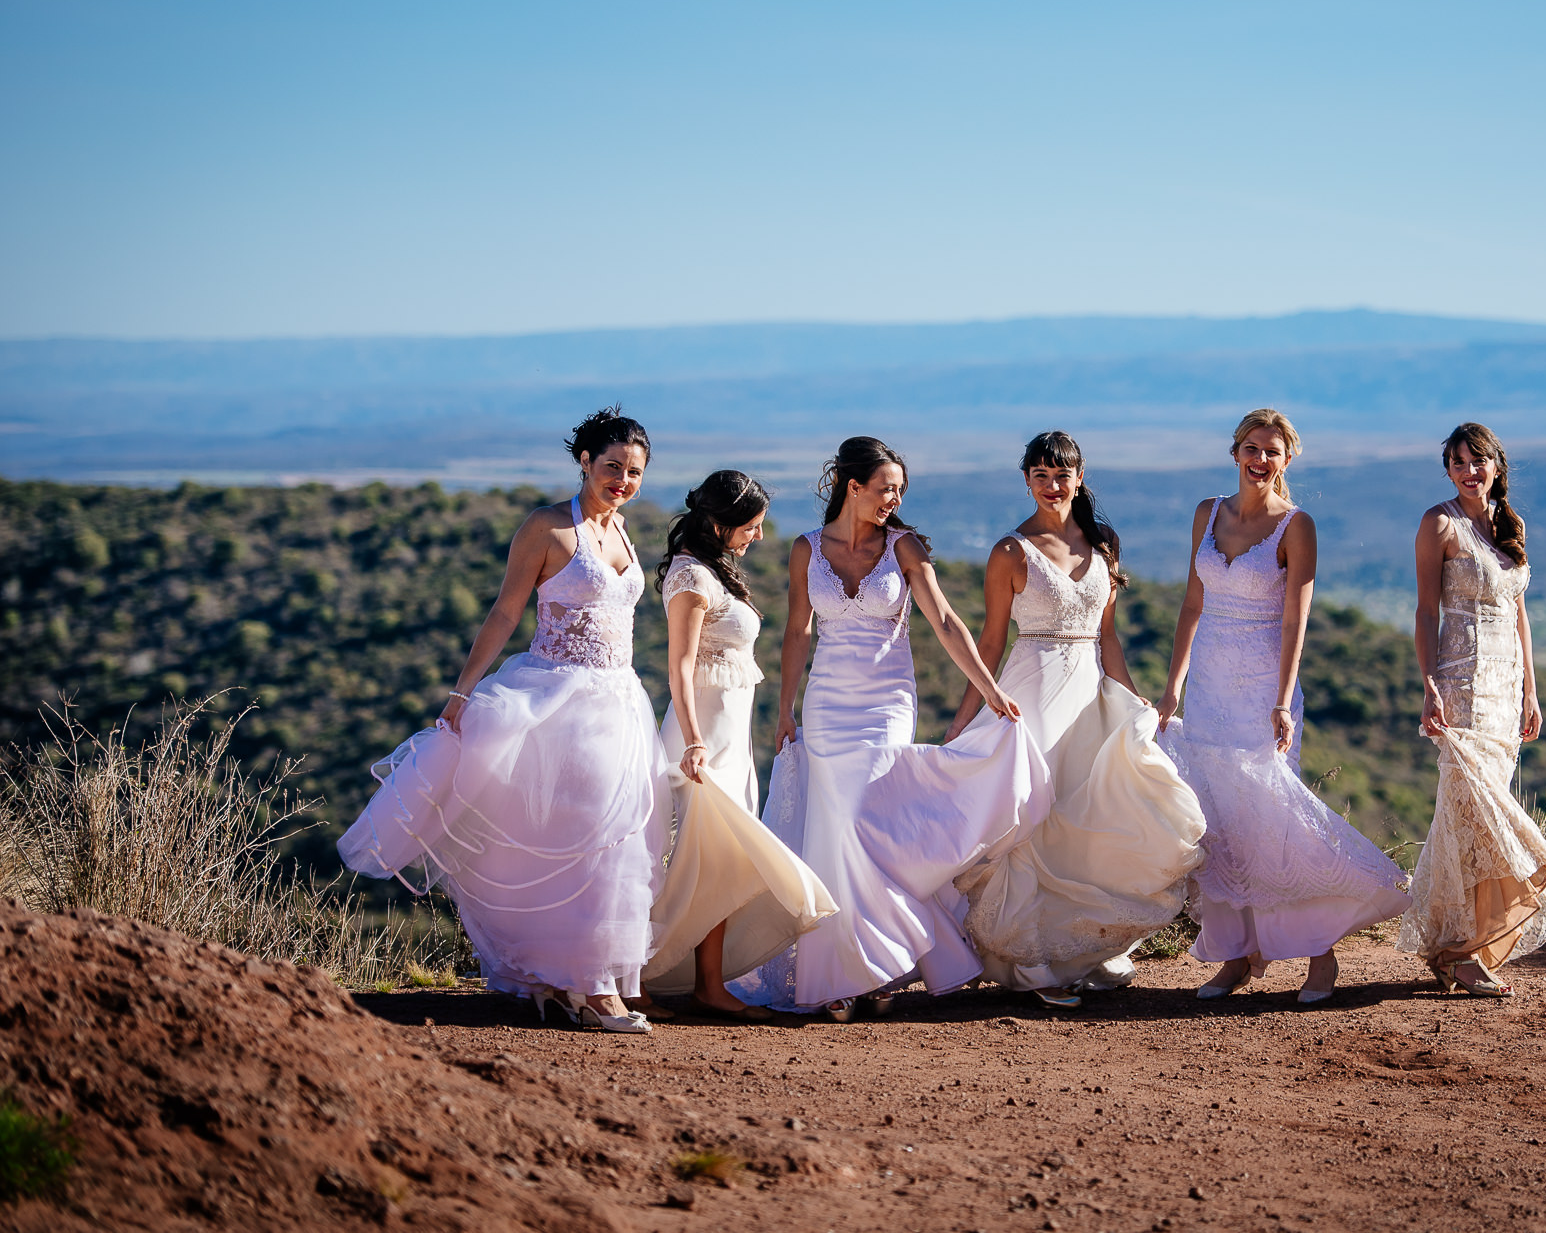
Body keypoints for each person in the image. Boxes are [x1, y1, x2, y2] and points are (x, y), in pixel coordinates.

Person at [340, 407, 664, 1034]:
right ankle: (581, 987)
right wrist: (462, 691)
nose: (622, 480)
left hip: (619, 705)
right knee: (564, 838)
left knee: (616, 839)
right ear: (584, 462)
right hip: (554, 703)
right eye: (612, 467)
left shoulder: (624, 532)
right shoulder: (546, 528)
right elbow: (504, 611)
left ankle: (583, 980)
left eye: (634, 472)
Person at [746, 436, 1045, 1021]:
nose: (895, 498)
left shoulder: (904, 547)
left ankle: (879, 964)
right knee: (836, 830)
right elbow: (796, 633)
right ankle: (843, 973)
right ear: (852, 487)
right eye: (886, 488)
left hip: (887, 701)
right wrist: (785, 707)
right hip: (828, 702)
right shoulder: (807, 549)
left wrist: (989, 688)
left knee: (867, 820)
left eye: (900, 490)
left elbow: (945, 620)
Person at [941, 432, 1207, 1008]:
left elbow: (1108, 636)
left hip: (1088, 690)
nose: (1051, 485)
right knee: (1034, 816)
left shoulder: (1105, 542)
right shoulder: (1010, 552)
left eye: (1061, 474)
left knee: (1093, 812)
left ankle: (1077, 948)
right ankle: (1029, 957)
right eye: (1039, 474)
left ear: (1079, 477)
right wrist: (967, 715)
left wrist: (1133, 704)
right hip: (1031, 687)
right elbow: (990, 640)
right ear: (1027, 481)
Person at [1156, 409, 1411, 1005]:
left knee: (1274, 817)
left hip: (1262, 688)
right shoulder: (1207, 513)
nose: (1259, 460)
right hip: (1210, 684)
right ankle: (1236, 958)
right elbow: (1192, 604)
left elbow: (1297, 618)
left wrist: (1281, 699)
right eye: (1251, 448)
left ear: (1287, 460)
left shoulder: (1296, 526)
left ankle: (1320, 957)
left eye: (1272, 451)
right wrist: (1173, 686)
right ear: (1234, 452)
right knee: (1217, 818)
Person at [640, 471, 836, 1021]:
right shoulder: (690, 577)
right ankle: (635, 975)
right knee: (679, 861)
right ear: (720, 524)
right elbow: (679, 664)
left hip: (732, 739)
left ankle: (708, 985)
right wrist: (695, 741)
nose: (758, 537)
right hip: (701, 738)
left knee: (721, 862)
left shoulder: (717, 572)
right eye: (751, 527)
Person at [1397, 422, 1546, 996]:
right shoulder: (1439, 523)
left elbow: (1520, 614)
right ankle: (1465, 948)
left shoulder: (1509, 525)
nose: (1469, 472)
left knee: (1468, 818)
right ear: (1448, 470)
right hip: (1461, 681)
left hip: (1505, 689)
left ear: (1496, 466)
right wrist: (1428, 683)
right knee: (1472, 810)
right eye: (1458, 463)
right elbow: (1427, 612)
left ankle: (1458, 947)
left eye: (1478, 462)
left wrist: (1531, 690)